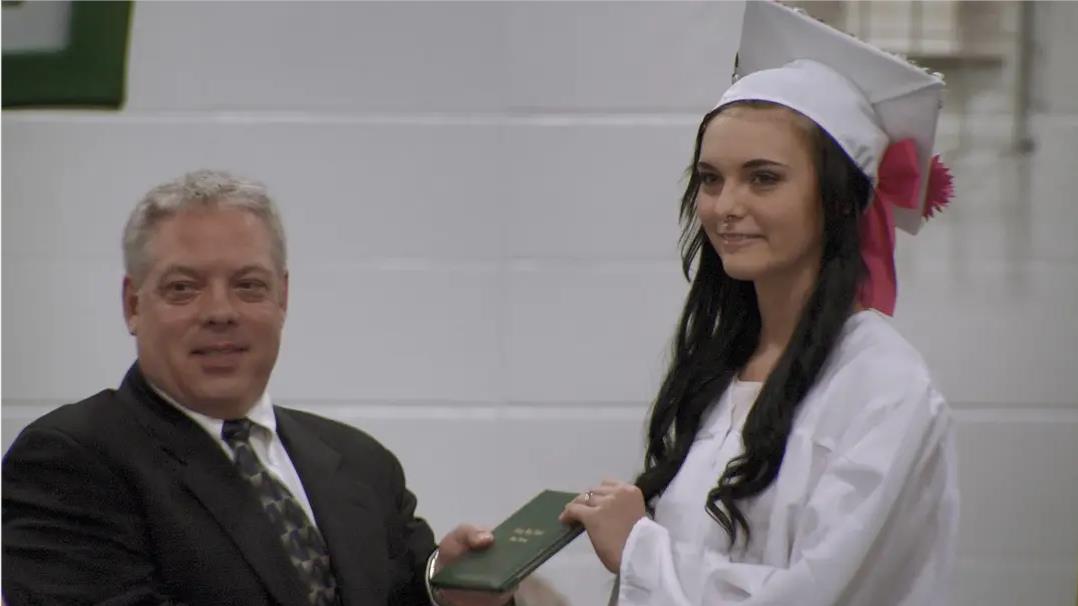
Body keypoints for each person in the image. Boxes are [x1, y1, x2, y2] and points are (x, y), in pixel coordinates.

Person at [561, 2, 959, 605]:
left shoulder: (883, 388)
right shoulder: (721, 367)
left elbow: (816, 593)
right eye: (711, 178)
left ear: (838, 199)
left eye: (763, 178)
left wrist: (640, 548)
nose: (726, 206)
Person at [2, 170, 511, 606]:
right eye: (183, 288)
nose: (220, 312)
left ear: (282, 297)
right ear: (133, 305)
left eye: (248, 286)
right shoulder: (70, 463)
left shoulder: (363, 466)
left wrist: (448, 594)